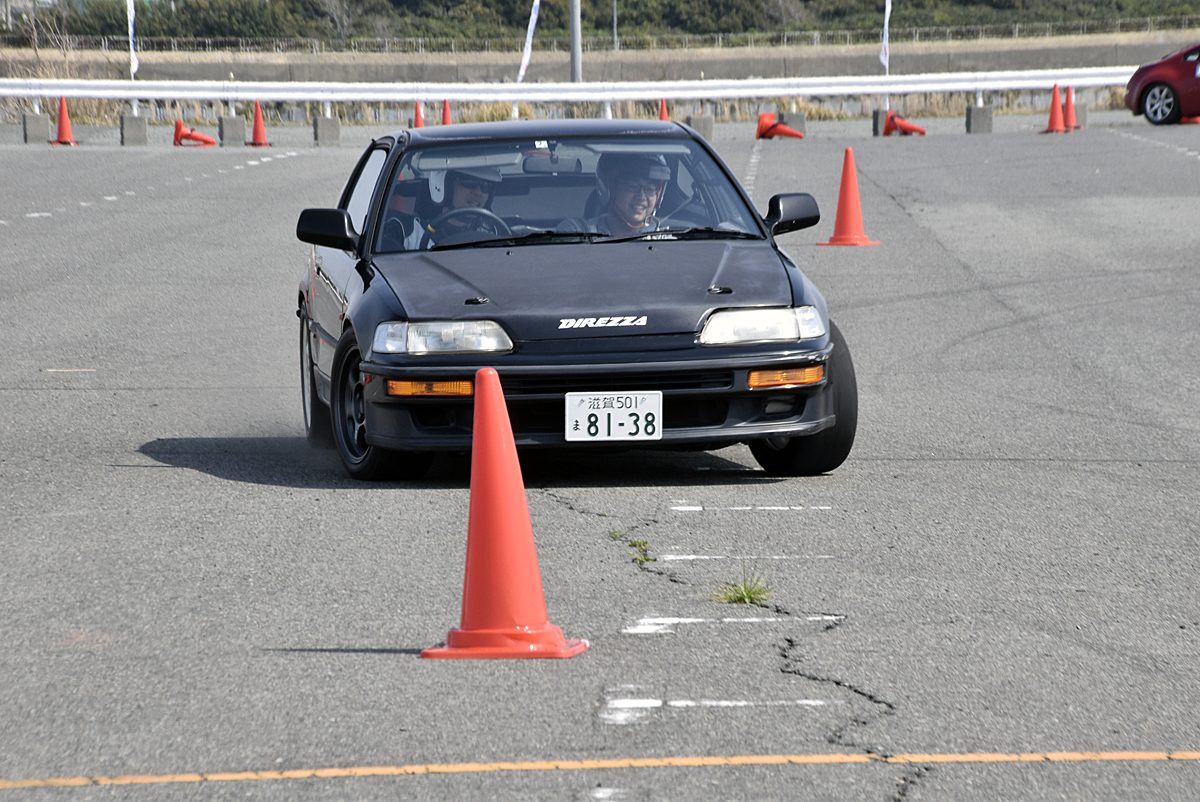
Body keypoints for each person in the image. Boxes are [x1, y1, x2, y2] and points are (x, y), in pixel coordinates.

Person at [563, 152, 671, 236]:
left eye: (650, 188)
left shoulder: (671, 237)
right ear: (610, 189)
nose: (641, 196)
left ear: (659, 196)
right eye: (632, 186)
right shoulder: (577, 231)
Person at [404, 166, 504, 249]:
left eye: (486, 187)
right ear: (446, 185)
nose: (478, 193)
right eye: (469, 182)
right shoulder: (408, 233)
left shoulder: (497, 234)